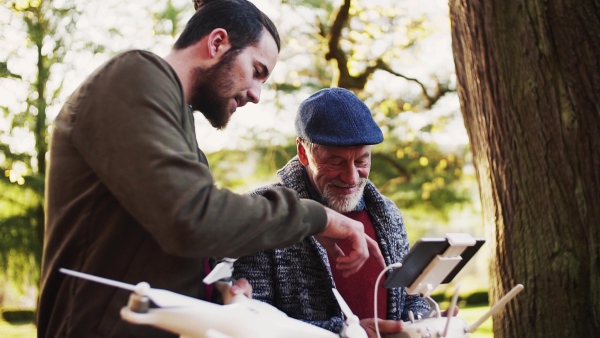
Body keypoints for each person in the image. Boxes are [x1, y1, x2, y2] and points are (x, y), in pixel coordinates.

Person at [37, 1, 383, 337]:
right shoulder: (132, 75)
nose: (256, 94)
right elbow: (192, 217)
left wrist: (218, 298)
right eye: (257, 71)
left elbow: (173, 243)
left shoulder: (180, 126)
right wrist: (320, 218)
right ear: (217, 43)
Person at [233, 88, 431, 337]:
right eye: (335, 161)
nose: (351, 177)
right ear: (303, 152)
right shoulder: (262, 213)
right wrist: (345, 333)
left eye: (361, 161)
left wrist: (425, 320)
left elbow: (411, 297)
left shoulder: (388, 214)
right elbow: (251, 320)